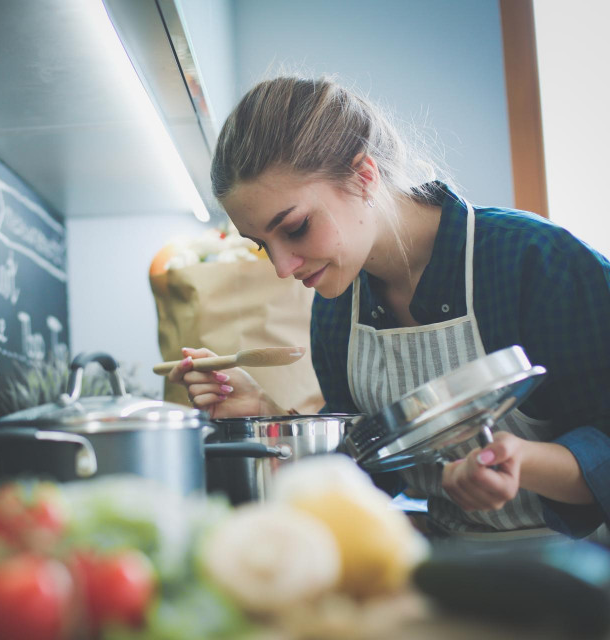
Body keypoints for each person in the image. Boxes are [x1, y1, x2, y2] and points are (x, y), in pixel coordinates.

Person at [169, 76, 610, 541]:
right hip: (448, 566)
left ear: (364, 176)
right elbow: (366, 469)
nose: (282, 267)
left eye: (296, 228)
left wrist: (524, 463)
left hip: (580, 570)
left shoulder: (534, 259)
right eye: (262, 244)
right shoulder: (338, 306)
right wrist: (265, 414)